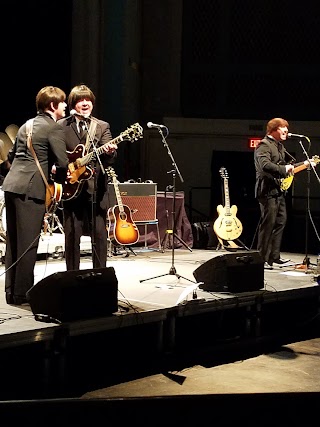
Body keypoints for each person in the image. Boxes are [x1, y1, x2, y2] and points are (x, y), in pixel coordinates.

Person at [2, 86, 69, 305]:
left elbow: (11, 156)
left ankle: (11, 292)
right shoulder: (54, 128)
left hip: (12, 185)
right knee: (29, 243)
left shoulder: (26, 125)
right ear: (53, 106)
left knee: (14, 242)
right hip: (31, 190)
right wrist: (57, 185)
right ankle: (23, 293)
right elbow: (62, 163)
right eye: (63, 103)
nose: (66, 106)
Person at [59, 84, 117, 271]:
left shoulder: (101, 126)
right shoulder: (61, 126)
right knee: (72, 236)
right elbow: (55, 155)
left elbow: (110, 159)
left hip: (96, 190)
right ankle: (72, 277)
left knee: (99, 237)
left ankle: (100, 277)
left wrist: (109, 152)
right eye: (80, 100)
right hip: (70, 188)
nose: (85, 103)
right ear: (72, 103)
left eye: (88, 100)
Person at [254, 117, 317, 270]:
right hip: (267, 190)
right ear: (273, 130)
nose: (286, 130)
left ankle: (274, 256)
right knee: (268, 224)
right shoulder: (264, 145)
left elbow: (289, 166)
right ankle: (262, 259)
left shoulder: (279, 146)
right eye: (283, 128)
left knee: (280, 221)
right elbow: (265, 165)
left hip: (278, 190)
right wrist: (285, 169)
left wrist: (306, 164)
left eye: (286, 128)